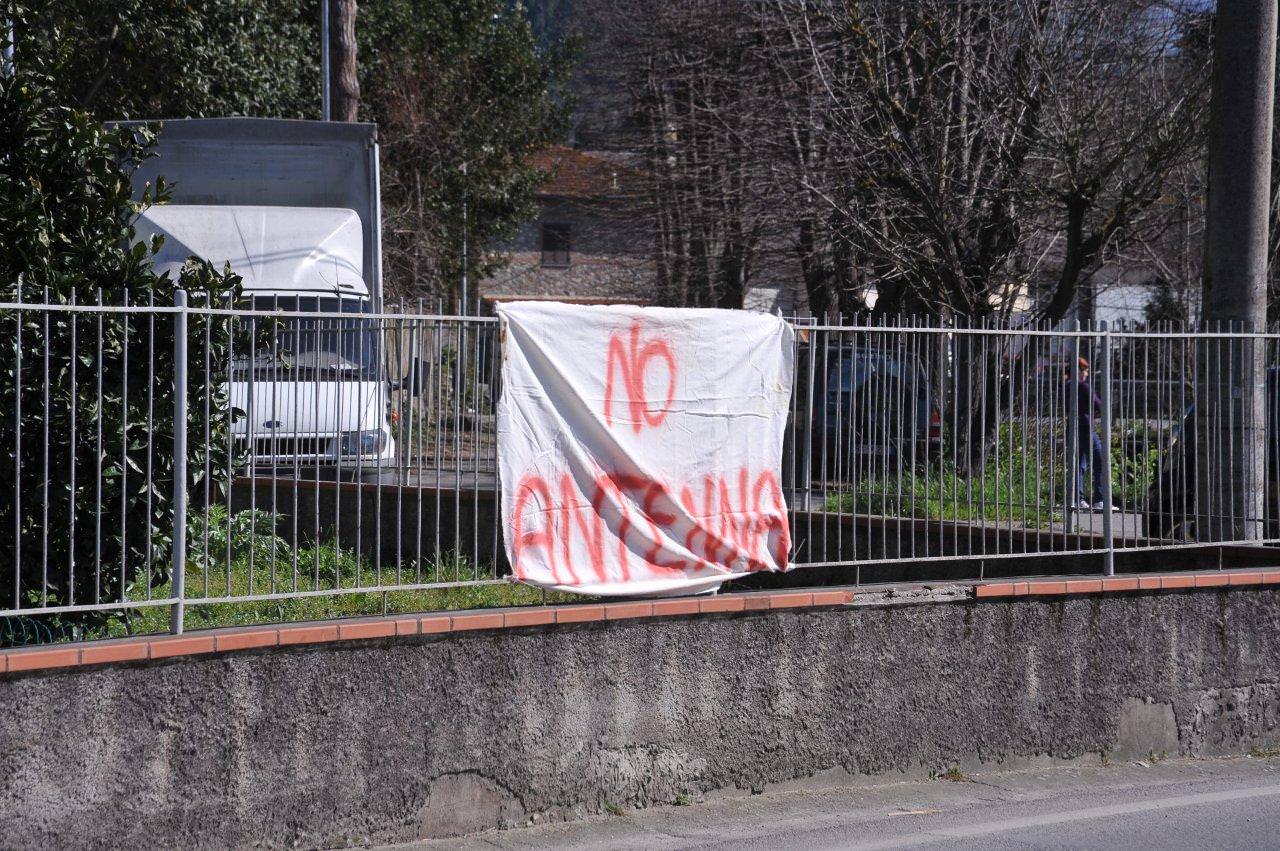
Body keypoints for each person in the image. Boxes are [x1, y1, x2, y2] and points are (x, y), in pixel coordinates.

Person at [1064, 357, 1114, 511]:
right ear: (1077, 370)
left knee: (1078, 464)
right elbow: (1099, 404)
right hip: (1085, 428)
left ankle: (1077, 499)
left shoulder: (1065, 386)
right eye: (1084, 370)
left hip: (1071, 428)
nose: (1086, 373)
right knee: (1101, 461)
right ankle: (1100, 500)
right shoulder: (1083, 387)